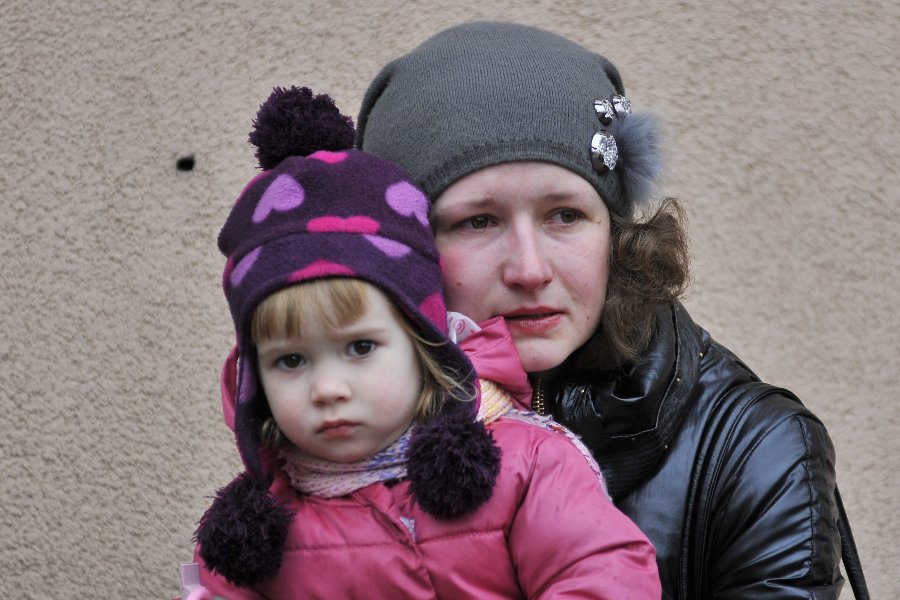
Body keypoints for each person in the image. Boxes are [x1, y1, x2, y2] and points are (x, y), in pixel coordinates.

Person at [354, 21, 859, 599]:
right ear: (404, 251)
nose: (529, 269)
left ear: (615, 236)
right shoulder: (328, 430)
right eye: (478, 221)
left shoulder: (751, 450)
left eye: (565, 215)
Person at [190, 85, 661, 598]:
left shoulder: (521, 465)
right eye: (290, 360)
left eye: (360, 348)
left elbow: (605, 575)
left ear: (424, 345)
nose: (327, 389)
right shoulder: (259, 530)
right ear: (253, 380)